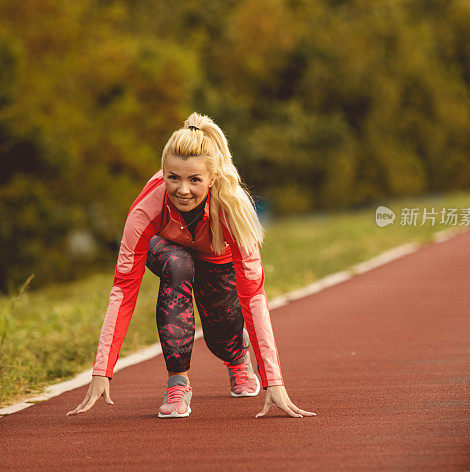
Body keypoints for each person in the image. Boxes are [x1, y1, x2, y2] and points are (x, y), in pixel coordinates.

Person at [67, 112, 316, 420]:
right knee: (177, 264)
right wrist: (102, 370)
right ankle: (177, 383)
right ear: (163, 172)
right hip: (169, 248)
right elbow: (123, 289)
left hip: (216, 258)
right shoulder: (146, 208)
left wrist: (273, 381)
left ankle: (237, 357)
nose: (182, 189)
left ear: (211, 178)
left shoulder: (233, 209)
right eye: (173, 177)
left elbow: (253, 296)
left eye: (194, 179)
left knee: (221, 338)